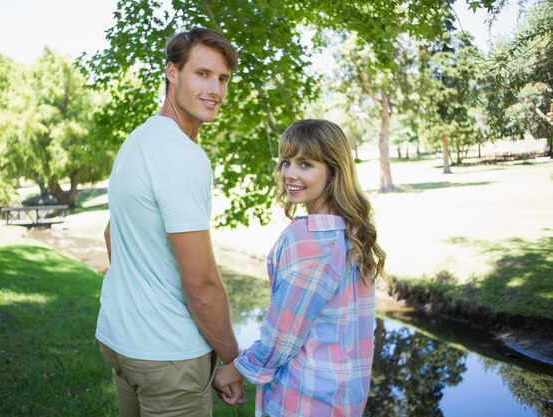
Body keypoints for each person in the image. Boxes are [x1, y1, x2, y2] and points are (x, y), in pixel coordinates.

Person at [96, 27, 244, 417]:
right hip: (168, 357)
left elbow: (112, 233)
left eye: (223, 78)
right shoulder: (182, 155)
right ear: (172, 73)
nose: (215, 89)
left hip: (121, 341)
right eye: (202, 74)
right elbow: (202, 284)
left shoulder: (137, 140)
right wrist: (231, 359)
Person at [213, 119, 387, 417]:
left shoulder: (309, 240)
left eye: (305, 164)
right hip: (344, 400)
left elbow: (281, 337)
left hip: (303, 401)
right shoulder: (351, 232)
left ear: (333, 170)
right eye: (286, 162)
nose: (289, 174)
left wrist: (230, 372)